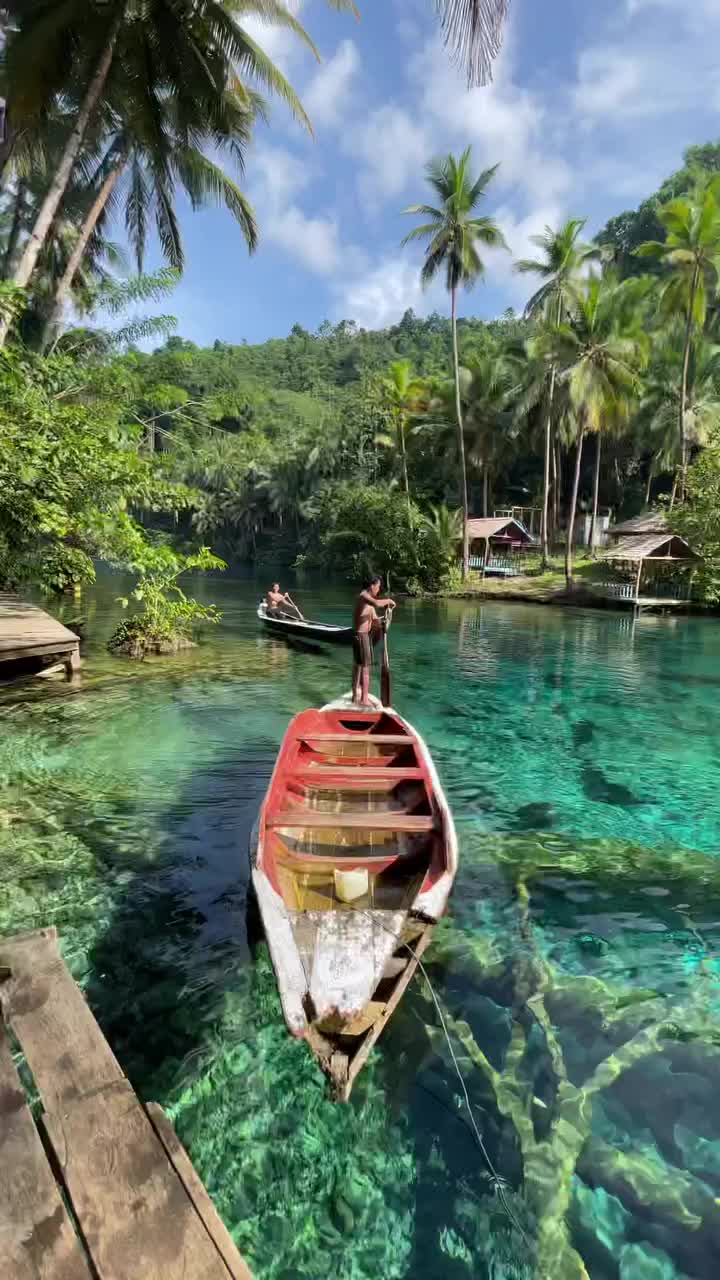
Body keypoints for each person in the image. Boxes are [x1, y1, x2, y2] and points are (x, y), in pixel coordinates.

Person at [352, 575, 396, 705]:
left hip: (360, 636)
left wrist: (385, 621)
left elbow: (375, 621)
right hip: (361, 636)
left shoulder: (368, 602)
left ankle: (356, 695)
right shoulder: (364, 595)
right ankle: (363, 699)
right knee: (365, 669)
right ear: (372, 585)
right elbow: (377, 603)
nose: (378, 589)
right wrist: (388, 600)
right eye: (378, 586)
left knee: (358, 666)